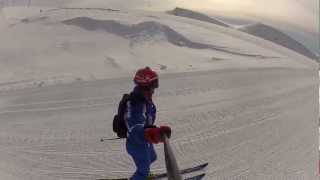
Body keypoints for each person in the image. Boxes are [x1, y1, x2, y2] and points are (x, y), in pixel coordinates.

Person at [125, 67, 171, 180]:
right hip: (136, 142)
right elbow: (135, 127)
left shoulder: (146, 100)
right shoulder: (136, 103)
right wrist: (152, 134)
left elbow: (147, 120)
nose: (154, 89)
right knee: (143, 170)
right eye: (153, 85)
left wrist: (155, 131)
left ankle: (145, 175)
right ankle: (141, 177)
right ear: (145, 85)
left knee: (152, 157)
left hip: (144, 139)